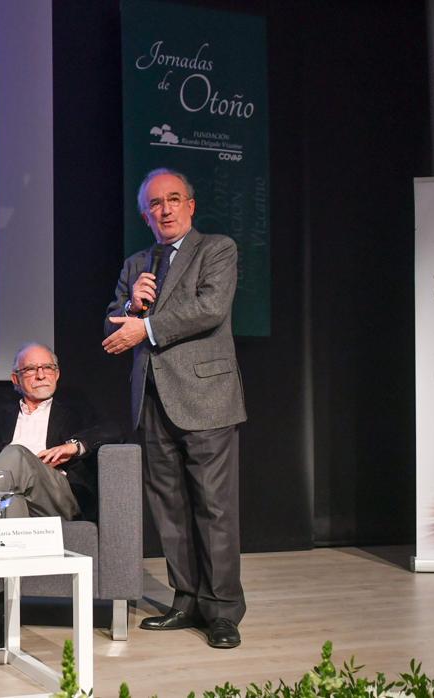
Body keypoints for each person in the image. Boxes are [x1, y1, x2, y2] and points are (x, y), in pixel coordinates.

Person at [102, 168, 247, 649]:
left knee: (214, 508)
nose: (164, 209)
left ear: (190, 205)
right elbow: (112, 323)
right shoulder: (136, 263)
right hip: (150, 398)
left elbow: (209, 309)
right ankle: (186, 599)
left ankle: (223, 611)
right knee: (169, 509)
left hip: (206, 397)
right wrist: (134, 305)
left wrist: (144, 328)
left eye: (173, 199)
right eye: (155, 204)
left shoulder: (217, 250)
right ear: (146, 214)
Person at [0, 343, 120, 522]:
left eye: (47, 368)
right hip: (7, 496)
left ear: (57, 374)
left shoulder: (77, 411)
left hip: (59, 497)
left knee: (16, 452)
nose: (41, 375)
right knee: (11, 501)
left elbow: (113, 430)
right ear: (15, 379)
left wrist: (75, 446)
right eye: (31, 369)